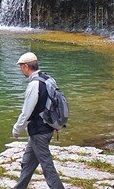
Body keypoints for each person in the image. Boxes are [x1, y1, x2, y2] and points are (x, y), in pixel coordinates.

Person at [11, 52, 65, 189]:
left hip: (39, 132)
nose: (20, 70)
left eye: (21, 67)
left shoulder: (34, 84)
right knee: (27, 162)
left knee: (47, 167)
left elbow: (26, 112)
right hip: (47, 127)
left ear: (26, 67)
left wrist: (17, 129)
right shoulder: (48, 79)